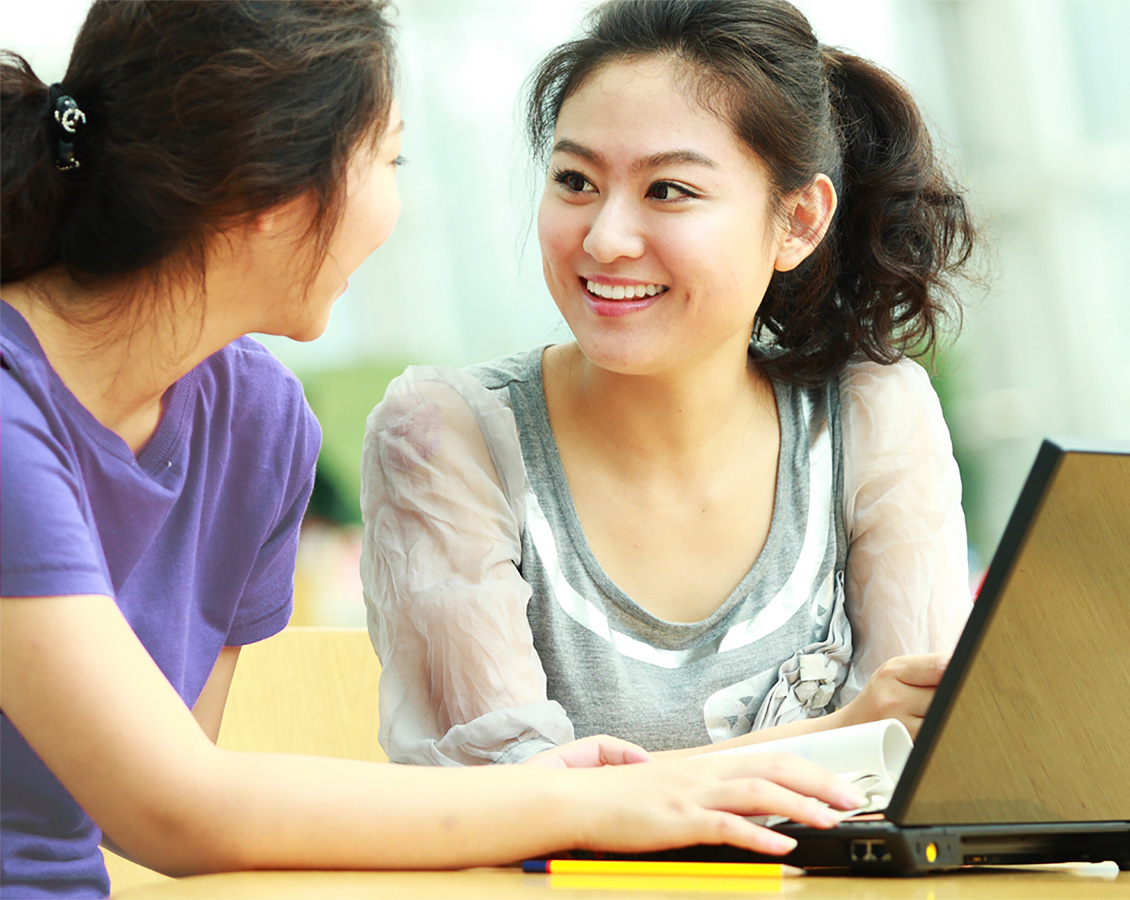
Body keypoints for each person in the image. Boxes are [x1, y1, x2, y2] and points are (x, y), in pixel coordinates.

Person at [0, 2, 870, 897]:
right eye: (389, 159)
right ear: (266, 192)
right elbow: (176, 809)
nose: (395, 205)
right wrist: (591, 804)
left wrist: (546, 795)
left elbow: (177, 807)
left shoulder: (256, 429)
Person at [360, 0, 977, 769]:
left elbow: (918, 765)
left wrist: (871, 736)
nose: (604, 238)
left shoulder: (871, 416)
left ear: (798, 221)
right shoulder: (443, 436)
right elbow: (505, 797)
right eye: (576, 180)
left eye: (669, 191)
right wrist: (836, 734)